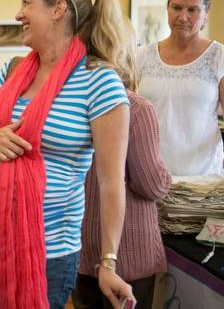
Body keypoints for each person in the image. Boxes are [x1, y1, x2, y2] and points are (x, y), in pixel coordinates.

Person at [0, 0, 135, 309]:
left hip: (48, 254)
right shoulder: (13, 70)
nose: (18, 14)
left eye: (26, 3)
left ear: (58, 9)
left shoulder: (99, 82)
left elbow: (111, 182)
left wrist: (108, 262)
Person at [73, 51, 172, 309]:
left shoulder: (75, 103)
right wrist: (168, 177)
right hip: (128, 251)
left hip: (82, 248)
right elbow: (149, 183)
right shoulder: (138, 108)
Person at [136, 0, 224, 176]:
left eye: (192, 10)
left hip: (203, 183)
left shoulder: (219, 57)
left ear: (206, 12)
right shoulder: (142, 56)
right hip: (149, 178)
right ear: (167, 7)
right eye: (176, 8)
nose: (182, 17)